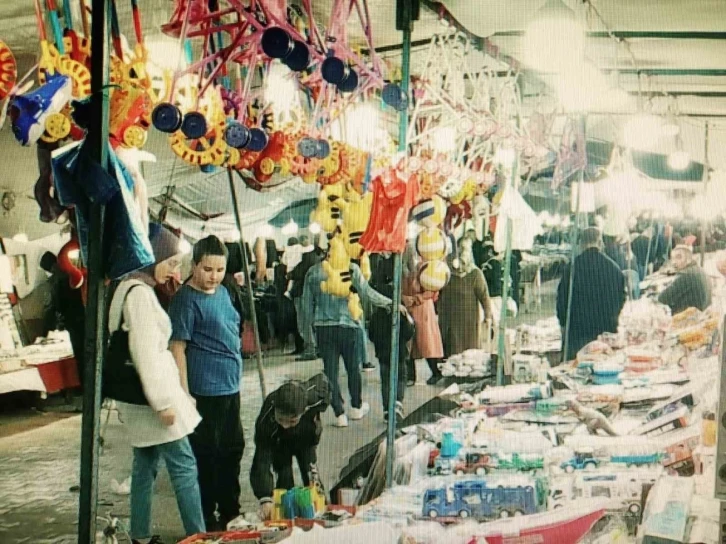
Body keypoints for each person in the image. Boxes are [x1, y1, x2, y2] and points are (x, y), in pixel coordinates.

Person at [109, 225, 205, 544]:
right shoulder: (140, 295)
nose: (175, 270)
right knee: (184, 466)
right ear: (153, 257)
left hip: (138, 397)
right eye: (171, 262)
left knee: (145, 464)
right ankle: (198, 535)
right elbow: (145, 352)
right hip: (152, 397)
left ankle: (139, 535)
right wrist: (163, 401)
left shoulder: (126, 286)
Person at [169, 236, 244, 531]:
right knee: (207, 454)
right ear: (194, 265)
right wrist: (184, 393)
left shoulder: (223, 292)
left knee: (232, 448)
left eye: (220, 269)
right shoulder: (185, 300)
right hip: (204, 390)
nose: (214, 276)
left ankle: (231, 510)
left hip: (230, 386)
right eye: (208, 269)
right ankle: (206, 515)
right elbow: (177, 347)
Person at [300, 247, 394, 427]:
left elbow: (306, 307)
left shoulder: (313, 272)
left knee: (331, 372)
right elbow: (366, 292)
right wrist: (389, 303)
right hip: (349, 327)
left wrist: (309, 335)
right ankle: (356, 407)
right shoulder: (351, 269)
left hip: (323, 329)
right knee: (353, 368)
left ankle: (339, 414)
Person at [250, 374, 331, 520]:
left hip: (305, 438)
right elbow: (261, 459)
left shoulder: (313, 396)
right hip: (280, 443)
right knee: (284, 482)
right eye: (280, 419)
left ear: (304, 410)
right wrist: (265, 497)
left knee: (311, 477)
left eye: (291, 421)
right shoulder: (266, 419)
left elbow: (325, 384)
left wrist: (317, 419)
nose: (285, 425)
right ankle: (287, 521)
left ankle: (323, 515)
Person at [557, 227, 626, 360]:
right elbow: (621, 300)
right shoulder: (614, 268)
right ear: (600, 242)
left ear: (582, 244)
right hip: (606, 334)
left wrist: (563, 325)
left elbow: (562, 301)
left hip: (577, 334)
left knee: (575, 370)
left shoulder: (572, 269)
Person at [437, 239, 493, 358]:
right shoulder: (447, 273)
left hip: (469, 320)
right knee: (451, 351)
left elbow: (484, 297)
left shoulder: (475, 274)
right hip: (450, 319)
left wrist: (488, 317)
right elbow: (439, 294)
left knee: (469, 353)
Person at [39, 251, 85, 386]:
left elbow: (56, 306)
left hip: (73, 319)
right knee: (83, 353)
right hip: (82, 316)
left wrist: (48, 329)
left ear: (51, 266)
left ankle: (82, 386)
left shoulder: (58, 279)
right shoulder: (71, 272)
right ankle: (84, 385)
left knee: (79, 354)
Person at [402, 240, 444, 385]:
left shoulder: (425, 268)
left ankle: (436, 371)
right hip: (409, 308)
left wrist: (415, 298)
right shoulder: (405, 270)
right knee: (408, 341)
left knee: (427, 342)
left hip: (423, 309)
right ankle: (410, 376)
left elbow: (433, 290)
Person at [288, 236, 323, 361]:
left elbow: (294, 274)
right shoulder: (319, 258)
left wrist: (289, 273)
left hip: (302, 293)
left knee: (304, 323)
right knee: (312, 321)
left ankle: (310, 349)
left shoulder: (306, 258)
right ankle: (318, 348)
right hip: (315, 294)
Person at [658, 245, 712, 315]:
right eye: (672, 258)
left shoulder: (687, 275)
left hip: (689, 319)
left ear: (689, 259)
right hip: (700, 315)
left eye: (678, 257)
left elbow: (663, 298)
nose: (674, 262)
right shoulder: (699, 270)